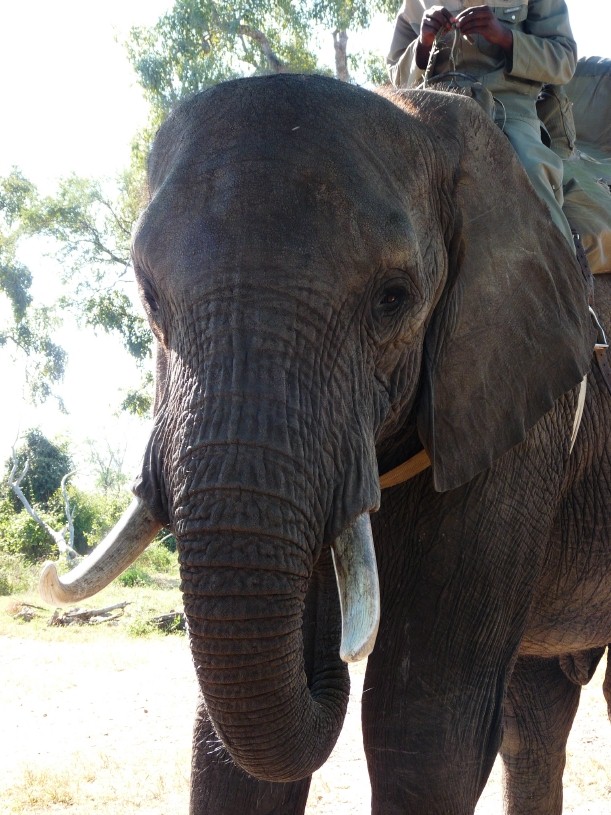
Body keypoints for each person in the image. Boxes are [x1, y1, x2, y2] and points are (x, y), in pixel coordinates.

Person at [387, 2, 577, 248]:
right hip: (435, 114)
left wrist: (505, 37)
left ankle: (563, 268)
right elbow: (395, 78)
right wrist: (423, 45)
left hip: (509, 111)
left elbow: (564, 60)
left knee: (532, 181)